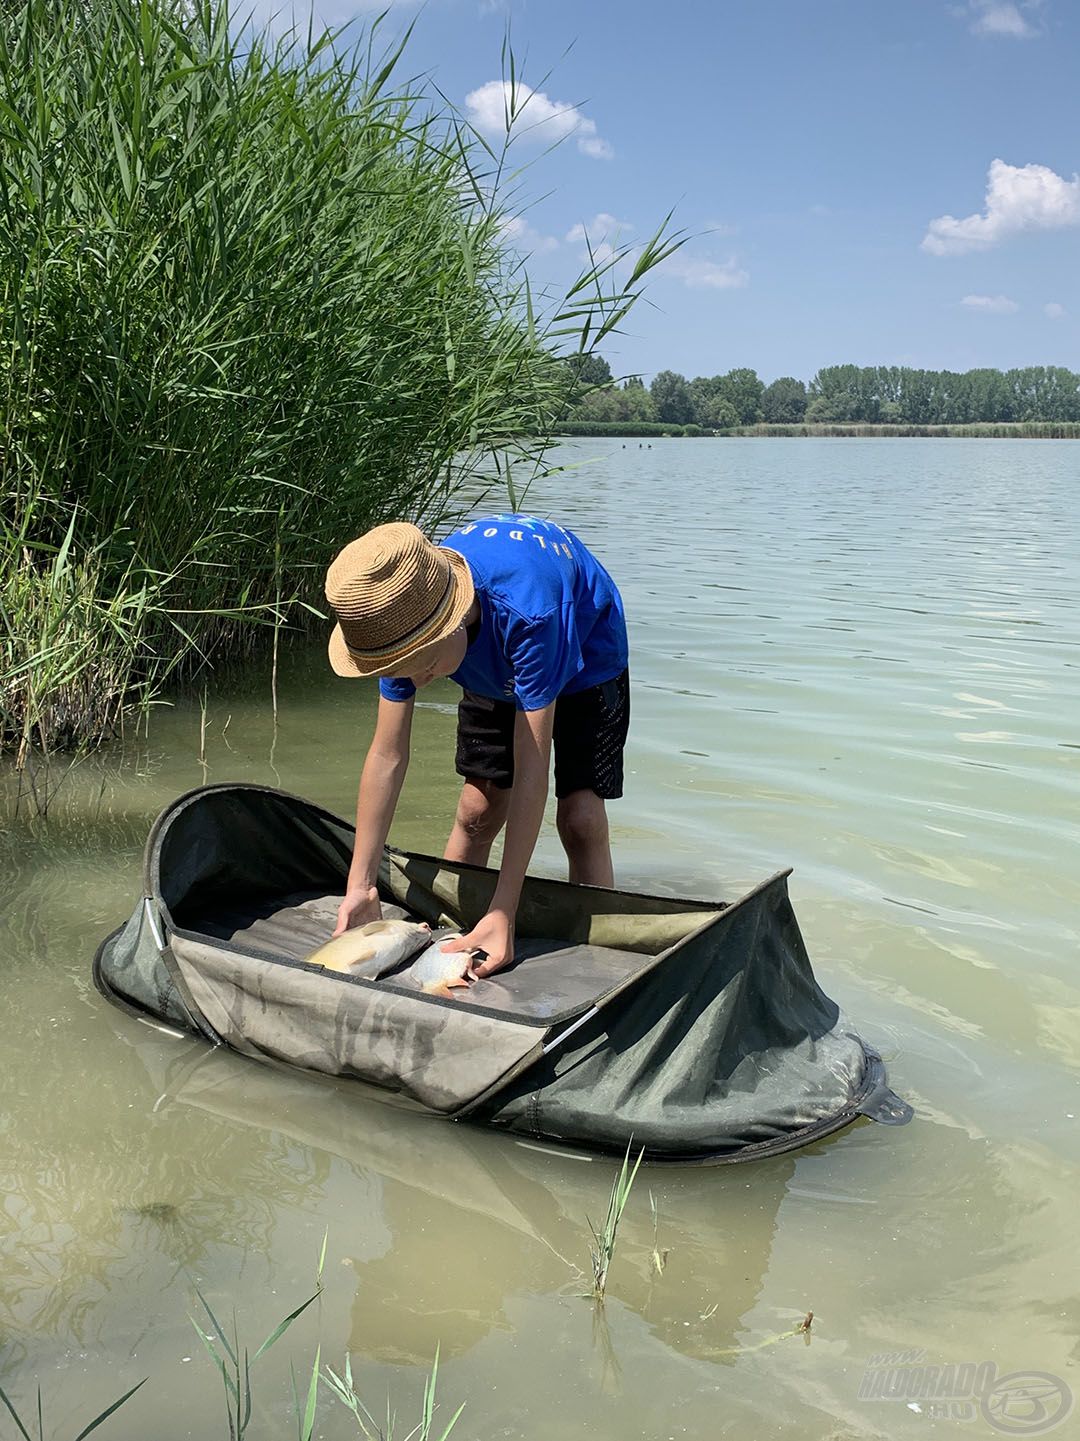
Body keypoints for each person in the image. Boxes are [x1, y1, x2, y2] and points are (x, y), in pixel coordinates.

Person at [324, 513, 629, 978]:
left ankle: (600, 964)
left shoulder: (531, 613)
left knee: (580, 819)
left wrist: (506, 910)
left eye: (423, 665)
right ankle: (454, 931)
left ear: (450, 624)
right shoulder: (397, 617)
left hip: (586, 648)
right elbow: (387, 754)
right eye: (400, 669)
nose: (414, 681)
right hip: (486, 656)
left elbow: (533, 767)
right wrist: (360, 884)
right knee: (476, 809)